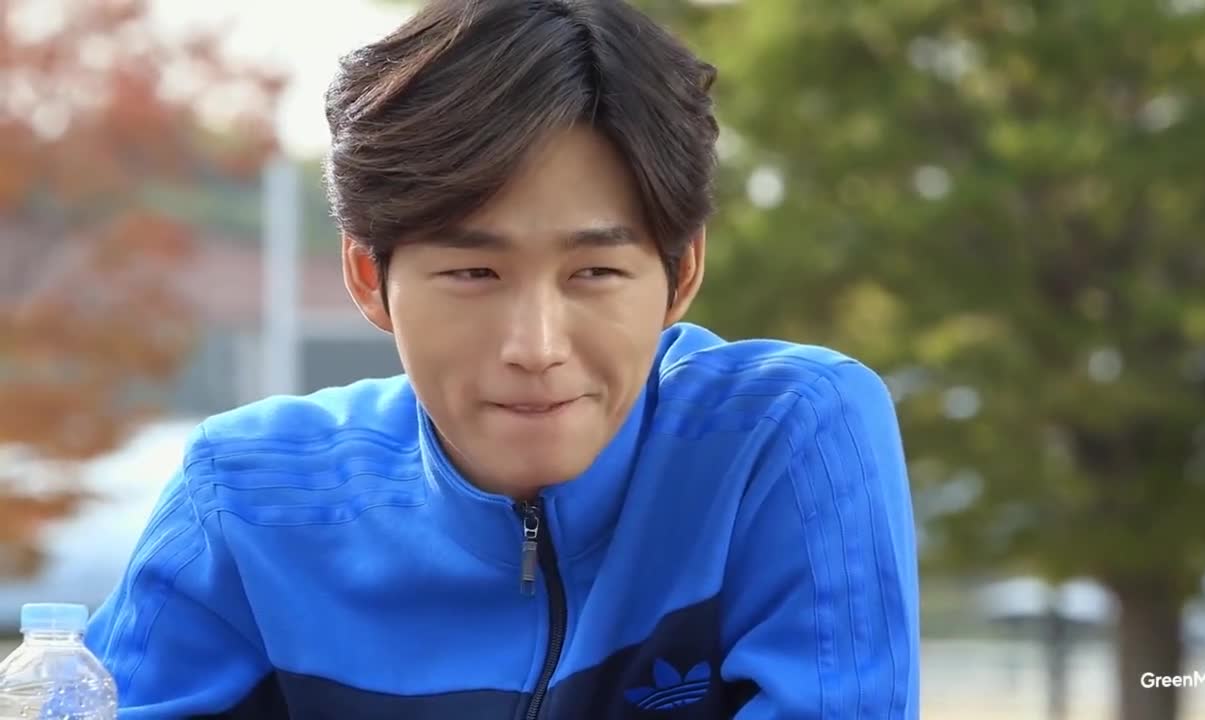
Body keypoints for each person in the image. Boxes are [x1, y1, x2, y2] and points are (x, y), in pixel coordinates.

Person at [85, 0, 921, 717]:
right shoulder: (246, 495)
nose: (536, 347)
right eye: (474, 274)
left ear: (683, 272)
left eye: (594, 272)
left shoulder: (785, 436)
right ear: (369, 276)